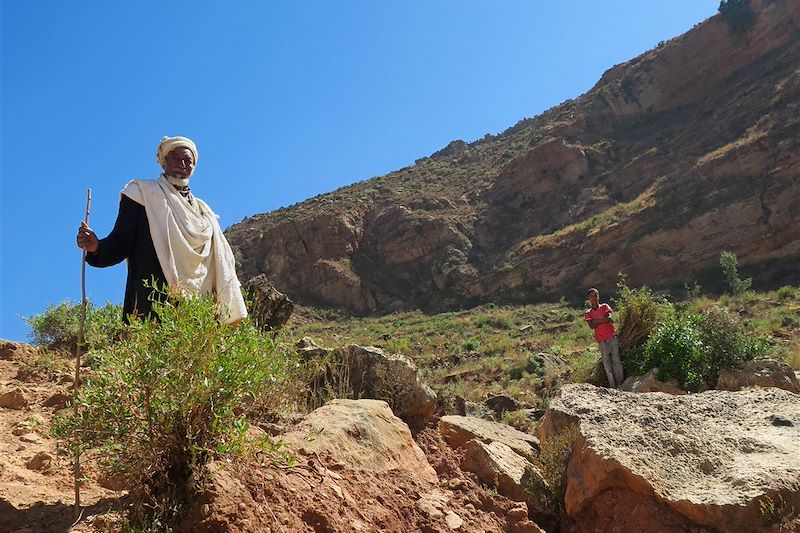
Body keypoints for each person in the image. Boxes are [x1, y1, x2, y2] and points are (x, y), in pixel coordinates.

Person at [76, 136, 247, 325]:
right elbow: (121, 241)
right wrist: (97, 247)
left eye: (187, 160)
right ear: (164, 161)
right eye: (175, 158)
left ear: (194, 166)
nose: (181, 164)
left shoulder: (204, 212)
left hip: (200, 306)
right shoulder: (142, 193)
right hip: (152, 300)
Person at [585, 288, 623, 388]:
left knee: (616, 362)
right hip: (602, 341)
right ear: (588, 298)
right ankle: (613, 386)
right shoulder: (588, 313)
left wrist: (596, 321)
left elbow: (609, 319)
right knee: (607, 365)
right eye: (591, 296)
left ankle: (621, 384)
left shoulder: (605, 306)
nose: (594, 298)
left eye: (595, 295)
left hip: (612, 337)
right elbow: (591, 326)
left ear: (598, 296)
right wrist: (603, 319)